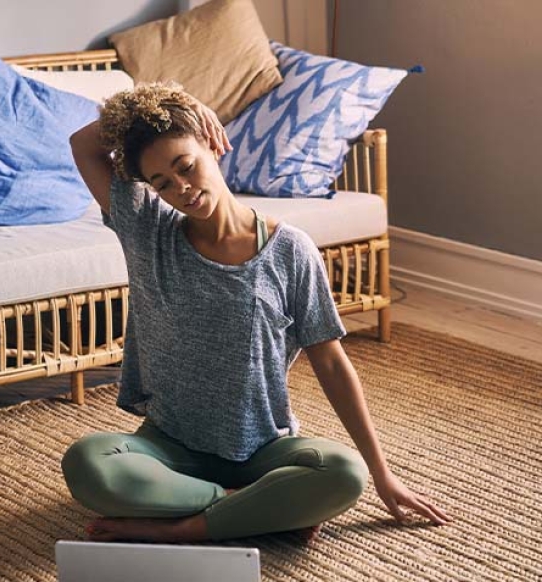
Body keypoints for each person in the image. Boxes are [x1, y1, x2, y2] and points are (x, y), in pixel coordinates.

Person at [62, 83, 452, 543]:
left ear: (213, 144)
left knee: (345, 473)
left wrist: (383, 474)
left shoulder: (289, 251)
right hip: (168, 446)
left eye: (187, 166)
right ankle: (248, 504)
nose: (182, 189)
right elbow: (83, 145)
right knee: (88, 462)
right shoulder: (147, 230)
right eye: (162, 183)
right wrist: (186, 104)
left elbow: (330, 362)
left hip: (264, 449)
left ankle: (182, 524)